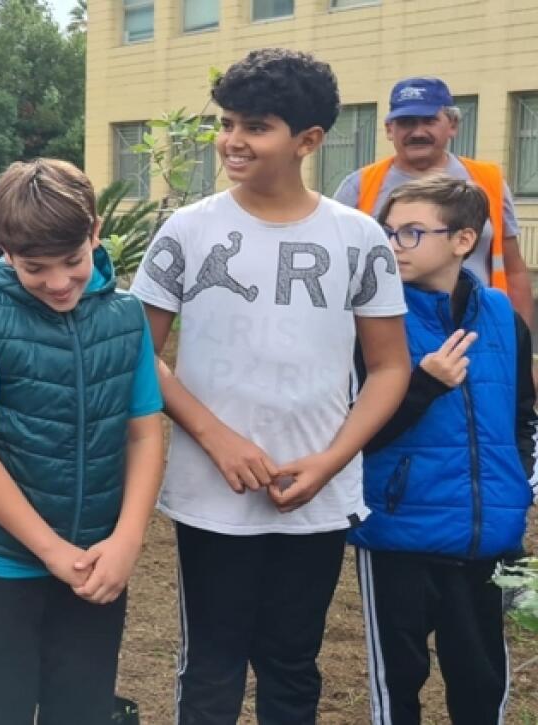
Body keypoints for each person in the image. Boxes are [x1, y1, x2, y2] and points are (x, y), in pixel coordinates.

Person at [129, 48, 412, 723]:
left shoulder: (359, 237)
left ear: (307, 141)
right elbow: (137, 351)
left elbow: (390, 367)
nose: (233, 140)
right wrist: (215, 437)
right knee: (211, 667)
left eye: (256, 127)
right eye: (227, 123)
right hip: (212, 494)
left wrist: (329, 461)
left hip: (315, 498)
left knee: (292, 664)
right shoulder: (187, 230)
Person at [0, 158, 165, 724]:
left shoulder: (127, 316)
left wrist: (127, 540)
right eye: (35, 268)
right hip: (0, 563)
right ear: (5, 251)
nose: (59, 283)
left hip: (97, 561)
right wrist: (50, 550)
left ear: (95, 233)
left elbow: (143, 433)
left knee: (83, 708)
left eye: (73, 261)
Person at [350, 176, 537, 725]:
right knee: (398, 683)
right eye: (388, 232)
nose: (394, 245)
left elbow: (523, 417)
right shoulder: (372, 320)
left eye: (411, 232)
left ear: (463, 240)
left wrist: (517, 486)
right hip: (398, 532)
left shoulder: (503, 316)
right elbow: (353, 434)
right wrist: (423, 387)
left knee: (481, 680)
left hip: (487, 538)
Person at [333, 76, 533, 326]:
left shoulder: (488, 181)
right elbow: (336, 270)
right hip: (390, 331)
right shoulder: (359, 186)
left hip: (481, 327)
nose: (418, 132)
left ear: (453, 125)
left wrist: (520, 338)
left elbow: (514, 270)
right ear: (389, 130)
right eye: (406, 122)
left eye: (429, 121)